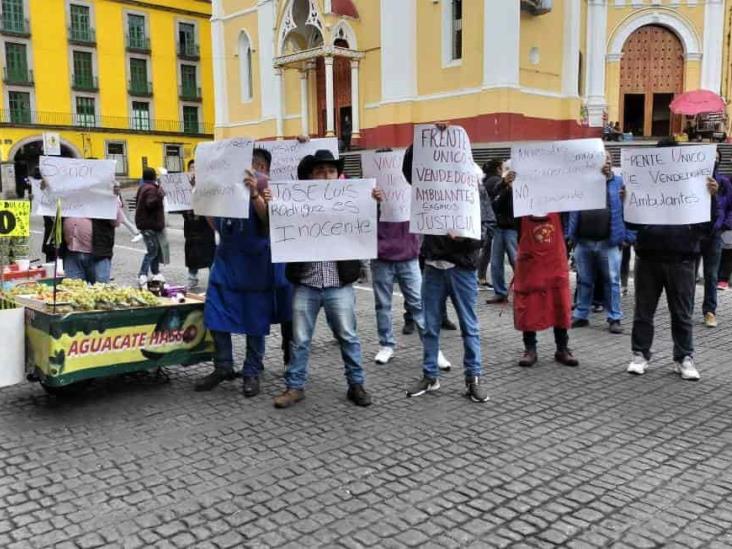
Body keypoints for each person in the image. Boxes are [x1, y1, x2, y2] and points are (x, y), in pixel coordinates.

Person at [272, 150, 378, 409]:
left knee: (348, 336)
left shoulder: (351, 200)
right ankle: (295, 386)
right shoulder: (296, 202)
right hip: (305, 283)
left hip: (338, 285)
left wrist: (374, 203)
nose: (325, 175)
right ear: (309, 176)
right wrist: (272, 203)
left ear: (338, 175)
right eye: (319, 171)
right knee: (299, 339)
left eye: (330, 171)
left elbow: (367, 225)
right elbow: (274, 224)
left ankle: (356, 384)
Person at [401, 131, 489, 403]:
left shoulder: (474, 186)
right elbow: (409, 168)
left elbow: (486, 230)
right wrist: (426, 142)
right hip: (433, 265)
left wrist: (464, 237)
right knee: (430, 325)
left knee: (468, 325)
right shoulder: (428, 185)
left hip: (462, 266)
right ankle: (430, 376)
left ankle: (472, 378)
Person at [625, 137, 719, 381]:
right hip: (648, 256)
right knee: (643, 311)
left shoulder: (696, 185)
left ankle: (684, 357)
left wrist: (712, 198)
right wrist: (626, 201)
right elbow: (631, 223)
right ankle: (640, 354)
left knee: (682, 313)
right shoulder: (642, 184)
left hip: (682, 258)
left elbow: (708, 226)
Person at [195, 164, 292, 396]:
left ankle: (252, 371)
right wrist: (202, 195)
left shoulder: (261, 181)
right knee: (215, 314)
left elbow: (269, 222)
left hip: (255, 264)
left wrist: (255, 194)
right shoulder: (219, 182)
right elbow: (215, 223)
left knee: (255, 320)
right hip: (226, 260)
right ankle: (223, 366)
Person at [371, 174, 451, 370]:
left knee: (418, 303)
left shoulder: (411, 187)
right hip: (381, 256)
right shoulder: (371, 193)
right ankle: (386, 344)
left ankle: (433, 348)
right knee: (383, 304)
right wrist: (373, 202)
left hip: (408, 256)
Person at [567, 151, 634, 334]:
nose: (606, 163)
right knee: (584, 280)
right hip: (583, 241)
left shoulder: (619, 183)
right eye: (602, 160)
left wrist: (628, 236)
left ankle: (614, 317)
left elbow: (632, 208)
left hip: (608, 242)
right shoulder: (581, 182)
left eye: (609, 160)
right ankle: (581, 314)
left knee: (612, 281)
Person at [514, 211, 578, 367]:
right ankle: (530, 349)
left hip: (554, 262)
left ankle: (562, 348)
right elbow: (501, 215)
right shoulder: (520, 200)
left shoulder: (558, 203)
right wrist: (505, 189)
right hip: (530, 264)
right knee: (529, 306)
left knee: (560, 304)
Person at [698, 148, 732, 327]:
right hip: (695, 234)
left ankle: (710, 311)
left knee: (711, 275)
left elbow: (729, 207)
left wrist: (724, 225)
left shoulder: (724, 182)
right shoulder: (694, 180)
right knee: (689, 275)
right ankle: (685, 309)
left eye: (717, 159)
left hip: (714, 234)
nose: (714, 162)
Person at [487, 162, 519, 304]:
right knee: (495, 262)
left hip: (512, 228)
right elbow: (495, 202)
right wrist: (505, 186)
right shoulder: (500, 185)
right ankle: (499, 292)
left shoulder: (520, 187)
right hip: (500, 227)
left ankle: (522, 288)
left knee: (516, 260)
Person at [182, 160, 216, 290]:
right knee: (192, 255)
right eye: (191, 168)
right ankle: (192, 278)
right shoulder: (184, 189)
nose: (194, 171)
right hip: (191, 227)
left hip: (205, 227)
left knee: (209, 254)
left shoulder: (207, 188)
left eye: (196, 168)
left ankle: (213, 280)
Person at [135, 167, 168, 288]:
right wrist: (160, 196)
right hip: (150, 225)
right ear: (154, 177)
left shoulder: (143, 187)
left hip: (146, 224)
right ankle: (142, 274)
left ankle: (155, 272)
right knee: (152, 250)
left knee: (155, 249)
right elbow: (150, 203)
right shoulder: (151, 189)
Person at [477, 159, 502, 286]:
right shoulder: (496, 181)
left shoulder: (486, 180)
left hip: (485, 219)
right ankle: (481, 276)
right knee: (488, 250)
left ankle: (481, 276)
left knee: (485, 249)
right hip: (493, 219)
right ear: (498, 168)